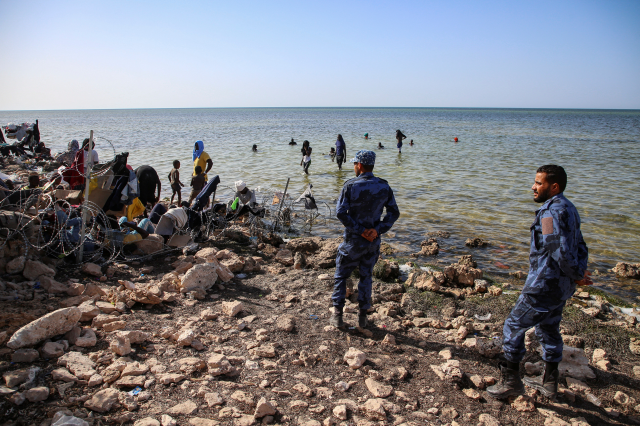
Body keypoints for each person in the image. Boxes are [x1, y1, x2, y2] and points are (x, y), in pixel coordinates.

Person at [487, 165, 590, 400]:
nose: (533, 187)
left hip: (544, 284)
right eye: (534, 182)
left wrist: (576, 273)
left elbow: (557, 248)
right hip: (561, 287)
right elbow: (581, 245)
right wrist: (579, 272)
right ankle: (550, 383)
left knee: (513, 325)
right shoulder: (569, 208)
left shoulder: (549, 213)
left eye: (538, 183)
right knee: (548, 328)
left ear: (554, 186)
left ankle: (511, 382)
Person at [330, 150, 400, 328]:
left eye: (354, 164)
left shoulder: (350, 185)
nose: (354, 166)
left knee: (341, 275)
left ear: (359, 165)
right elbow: (394, 213)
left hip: (353, 242)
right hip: (372, 243)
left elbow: (340, 213)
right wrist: (377, 230)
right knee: (366, 276)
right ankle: (362, 317)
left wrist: (361, 231)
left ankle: (337, 316)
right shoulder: (384, 186)